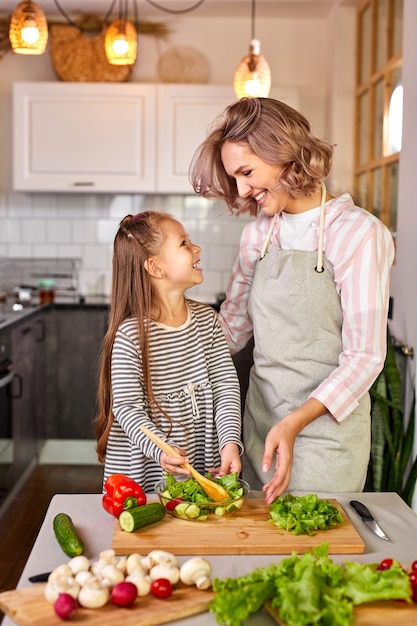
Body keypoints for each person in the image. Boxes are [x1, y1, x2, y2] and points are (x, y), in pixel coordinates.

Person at [189, 97, 395, 505]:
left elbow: (365, 357)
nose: (242, 190)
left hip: (325, 439)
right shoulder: (257, 235)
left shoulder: (358, 234)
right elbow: (230, 329)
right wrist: (165, 342)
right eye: (235, 178)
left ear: (284, 154)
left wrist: (295, 422)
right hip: (258, 429)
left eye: (247, 172)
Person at [95, 211, 243, 492]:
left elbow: (226, 387)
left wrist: (229, 442)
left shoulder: (208, 321)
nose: (196, 248)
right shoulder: (131, 336)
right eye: (184, 243)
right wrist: (160, 450)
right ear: (155, 267)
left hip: (200, 456)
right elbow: (127, 408)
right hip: (146, 467)